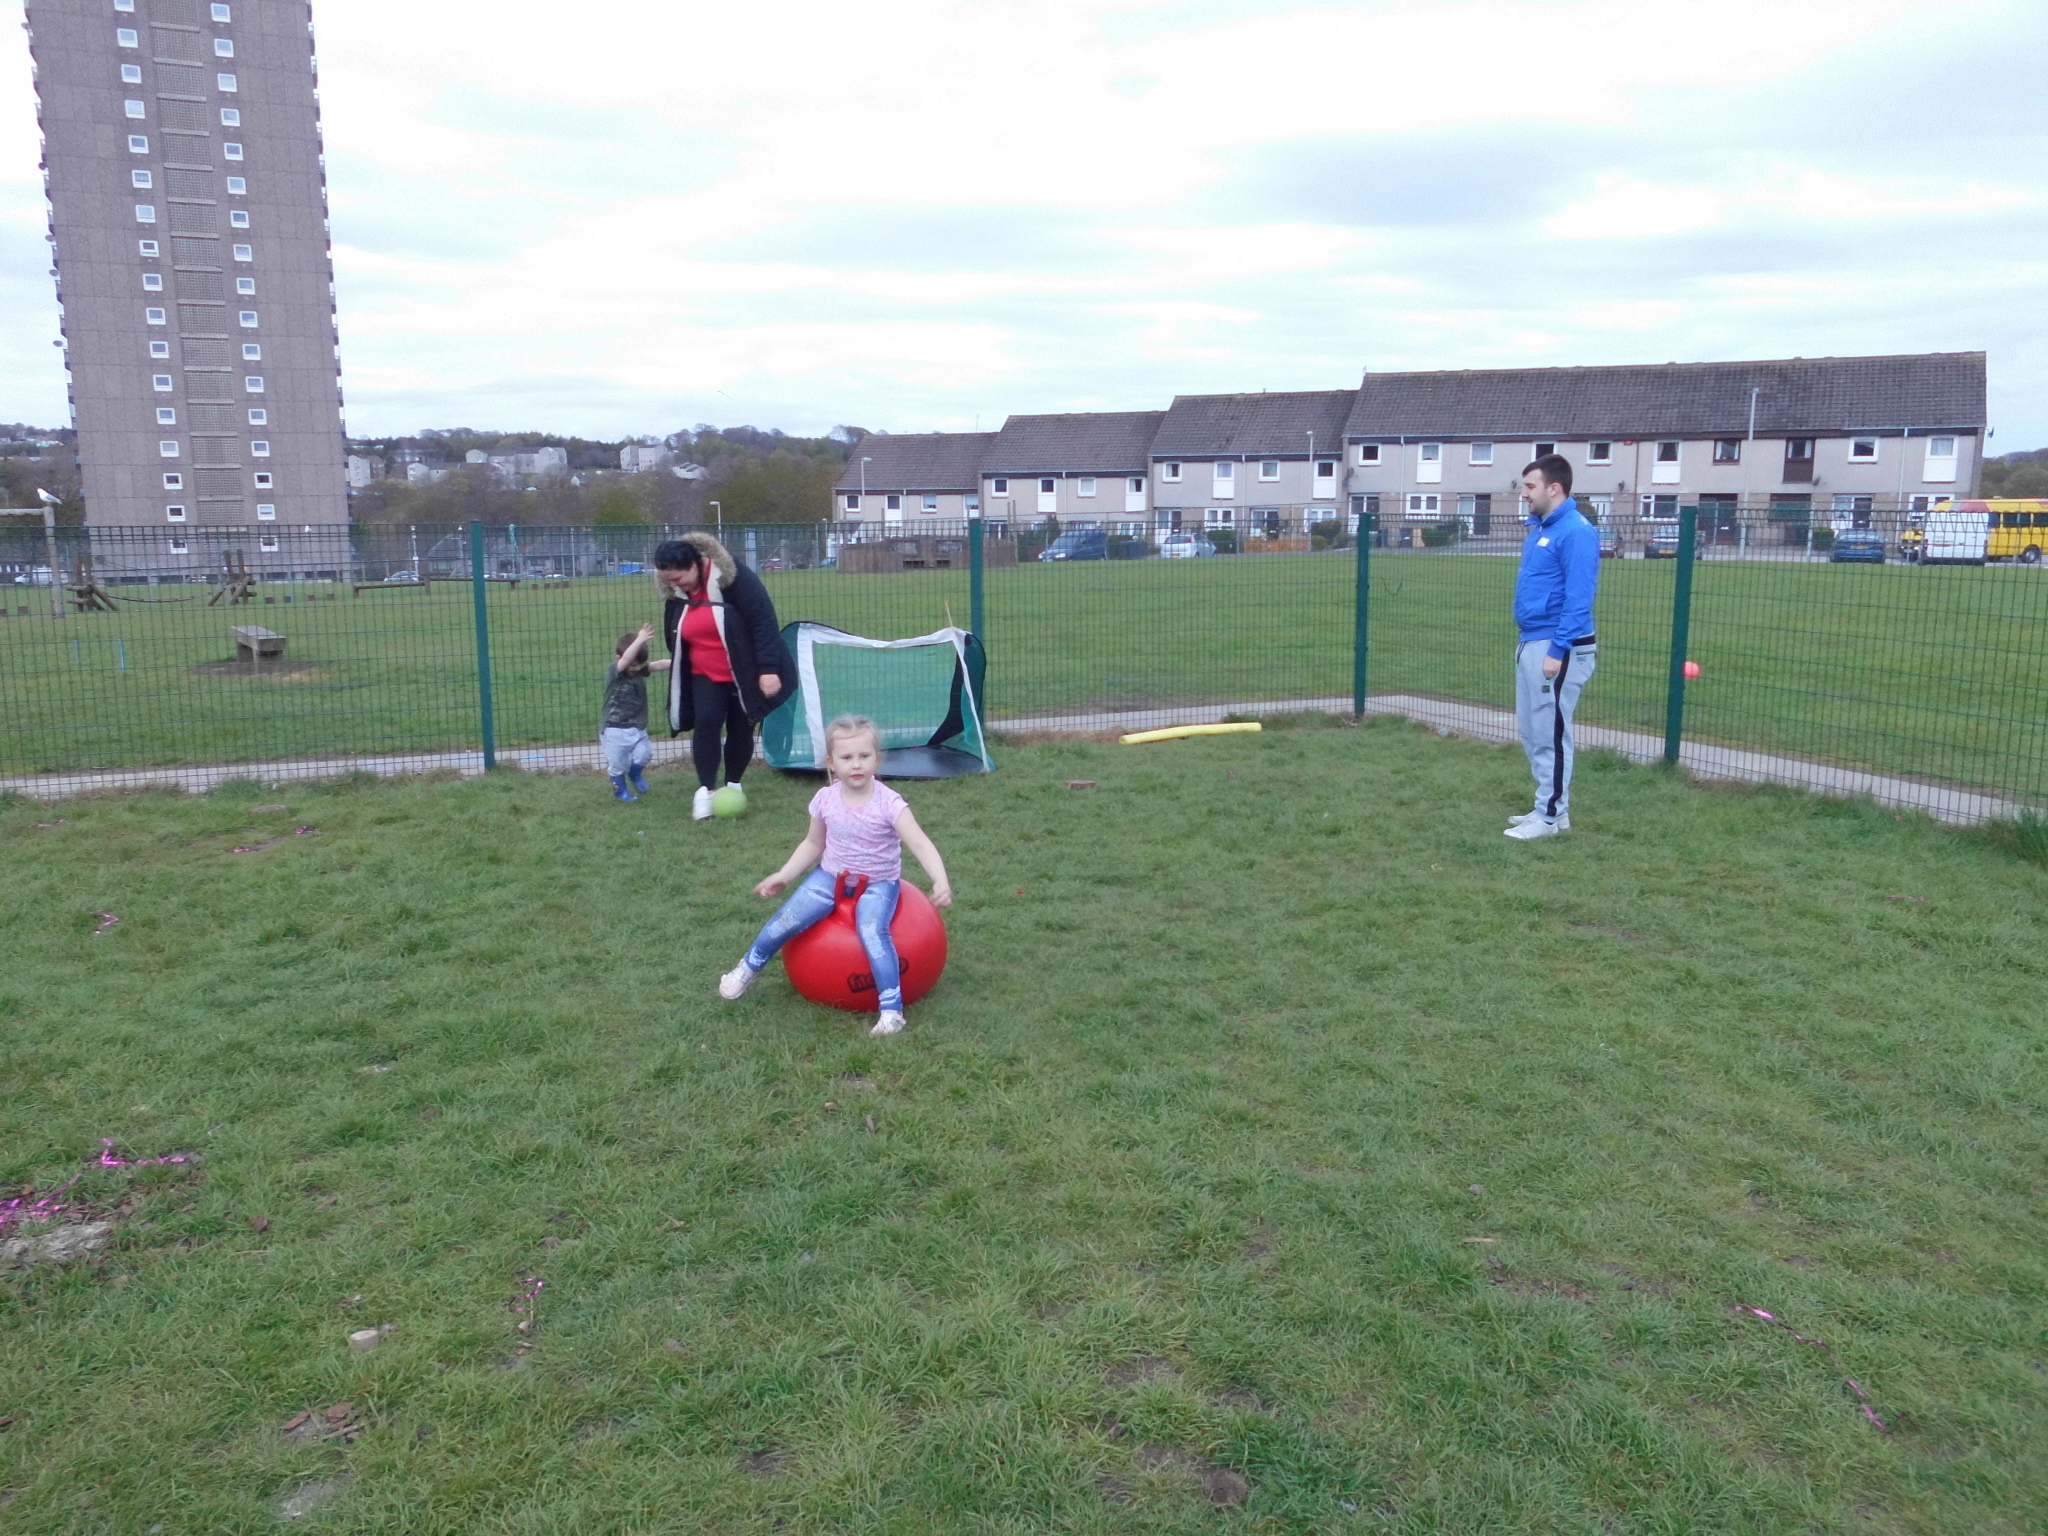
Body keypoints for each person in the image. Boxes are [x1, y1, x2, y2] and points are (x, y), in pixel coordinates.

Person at [719, 715, 953, 1038]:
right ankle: (747, 968)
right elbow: (813, 843)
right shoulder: (825, 800)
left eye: (864, 756)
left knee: (872, 931)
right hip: (831, 876)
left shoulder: (890, 804)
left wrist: (940, 879)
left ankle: (892, 1012)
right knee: (787, 918)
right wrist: (785, 875)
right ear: (831, 762)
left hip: (879, 883)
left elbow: (920, 843)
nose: (856, 764)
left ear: (876, 758)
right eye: (846, 757)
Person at [652, 534, 795, 822]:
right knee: (706, 723)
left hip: (745, 671)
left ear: (696, 564)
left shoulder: (736, 579)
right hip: (703, 673)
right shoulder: (676, 591)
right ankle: (705, 791)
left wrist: (768, 670)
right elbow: (673, 628)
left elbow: (763, 622)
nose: (675, 585)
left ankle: (733, 785)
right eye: (668, 581)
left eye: (679, 578)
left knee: (741, 726)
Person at [1507, 453, 1600, 841]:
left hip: (1559, 647)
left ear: (1554, 488)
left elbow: (1579, 599)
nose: (1524, 493)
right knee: (1533, 732)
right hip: (1532, 640)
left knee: (1551, 734)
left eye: (1531, 486)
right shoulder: (1541, 529)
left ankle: (1549, 817)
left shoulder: (1576, 532)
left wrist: (1557, 651)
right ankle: (1550, 809)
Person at [600, 624, 669, 801]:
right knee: (618, 763)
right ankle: (620, 791)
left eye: (640, 665)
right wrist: (639, 640)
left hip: (637, 727)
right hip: (614, 728)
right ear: (619, 658)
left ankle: (635, 773)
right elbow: (626, 660)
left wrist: (678, 662)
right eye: (633, 665)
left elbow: (658, 665)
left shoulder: (638, 669)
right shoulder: (615, 671)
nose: (636, 668)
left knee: (644, 754)